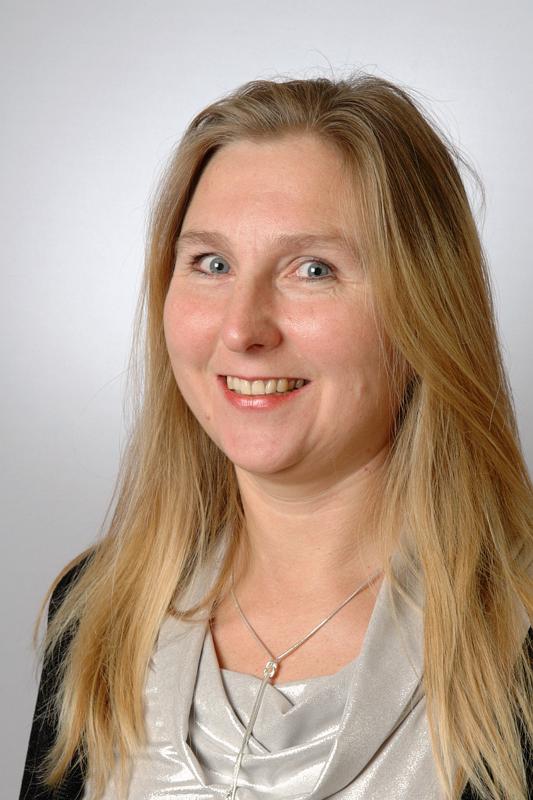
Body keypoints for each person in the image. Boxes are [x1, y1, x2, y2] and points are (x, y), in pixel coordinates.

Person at [20, 73, 532, 800]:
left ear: (426, 308)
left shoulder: (519, 639)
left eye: (312, 270)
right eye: (212, 264)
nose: (241, 329)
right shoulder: (96, 613)